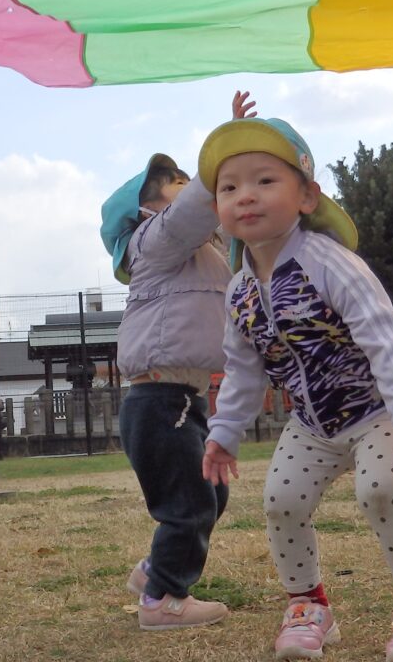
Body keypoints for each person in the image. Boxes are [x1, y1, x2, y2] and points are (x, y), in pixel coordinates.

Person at [199, 117, 393, 661]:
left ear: (307, 195)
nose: (246, 196)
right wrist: (225, 432)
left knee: (380, 490)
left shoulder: (332, 265)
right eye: (229, 187)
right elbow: (242, 368)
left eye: (265, 181)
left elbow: (386, 338)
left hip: (380, 411)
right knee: (281, 501)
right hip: (311, 424)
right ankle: (308, 608)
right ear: (218, 210)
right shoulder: (238, 291)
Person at [99, 91, 256, 630]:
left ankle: (153, 572)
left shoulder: (202, 252)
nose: (193, 188)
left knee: (211, 492)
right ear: (147, 207)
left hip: (181, 396)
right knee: (187, 502)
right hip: (158, 396)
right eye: (180, 183)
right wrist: (227, 150)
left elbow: (239, 251)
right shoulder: (153, 242)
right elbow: (194, 213)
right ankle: (163, 600)